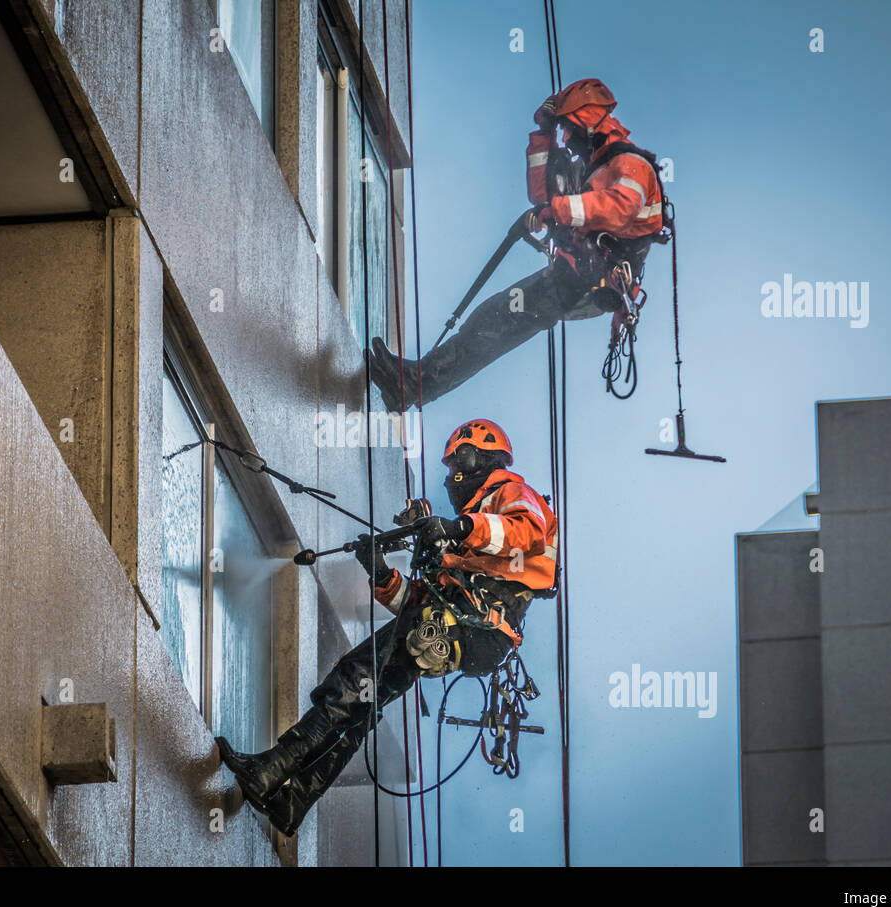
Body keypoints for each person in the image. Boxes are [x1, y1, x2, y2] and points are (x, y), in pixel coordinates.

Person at [216, 419, 557, 835]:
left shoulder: (510, 494)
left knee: (352, 681)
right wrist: (381, 575)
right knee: (364, 701)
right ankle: (294, 799)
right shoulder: (470, 549)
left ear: (481, 457)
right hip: (458, 628)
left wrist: (459, 528)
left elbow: (527, 531)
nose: (451, 475)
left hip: (475, 625)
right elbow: (416, 606)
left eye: (457, 463)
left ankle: (271, 769)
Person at [368, 78, 666, 412]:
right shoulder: (590, 168)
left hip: (591, 283)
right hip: (571, 277)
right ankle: (413, 383)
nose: (566, 138)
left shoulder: (631, 165)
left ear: (589, 119)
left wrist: (560, 211)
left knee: (494, 325)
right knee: (489, 319)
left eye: (568, 128)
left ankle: (412, 386)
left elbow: (620, 209)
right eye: (562, 130)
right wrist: (544, 133)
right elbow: (542, 196)